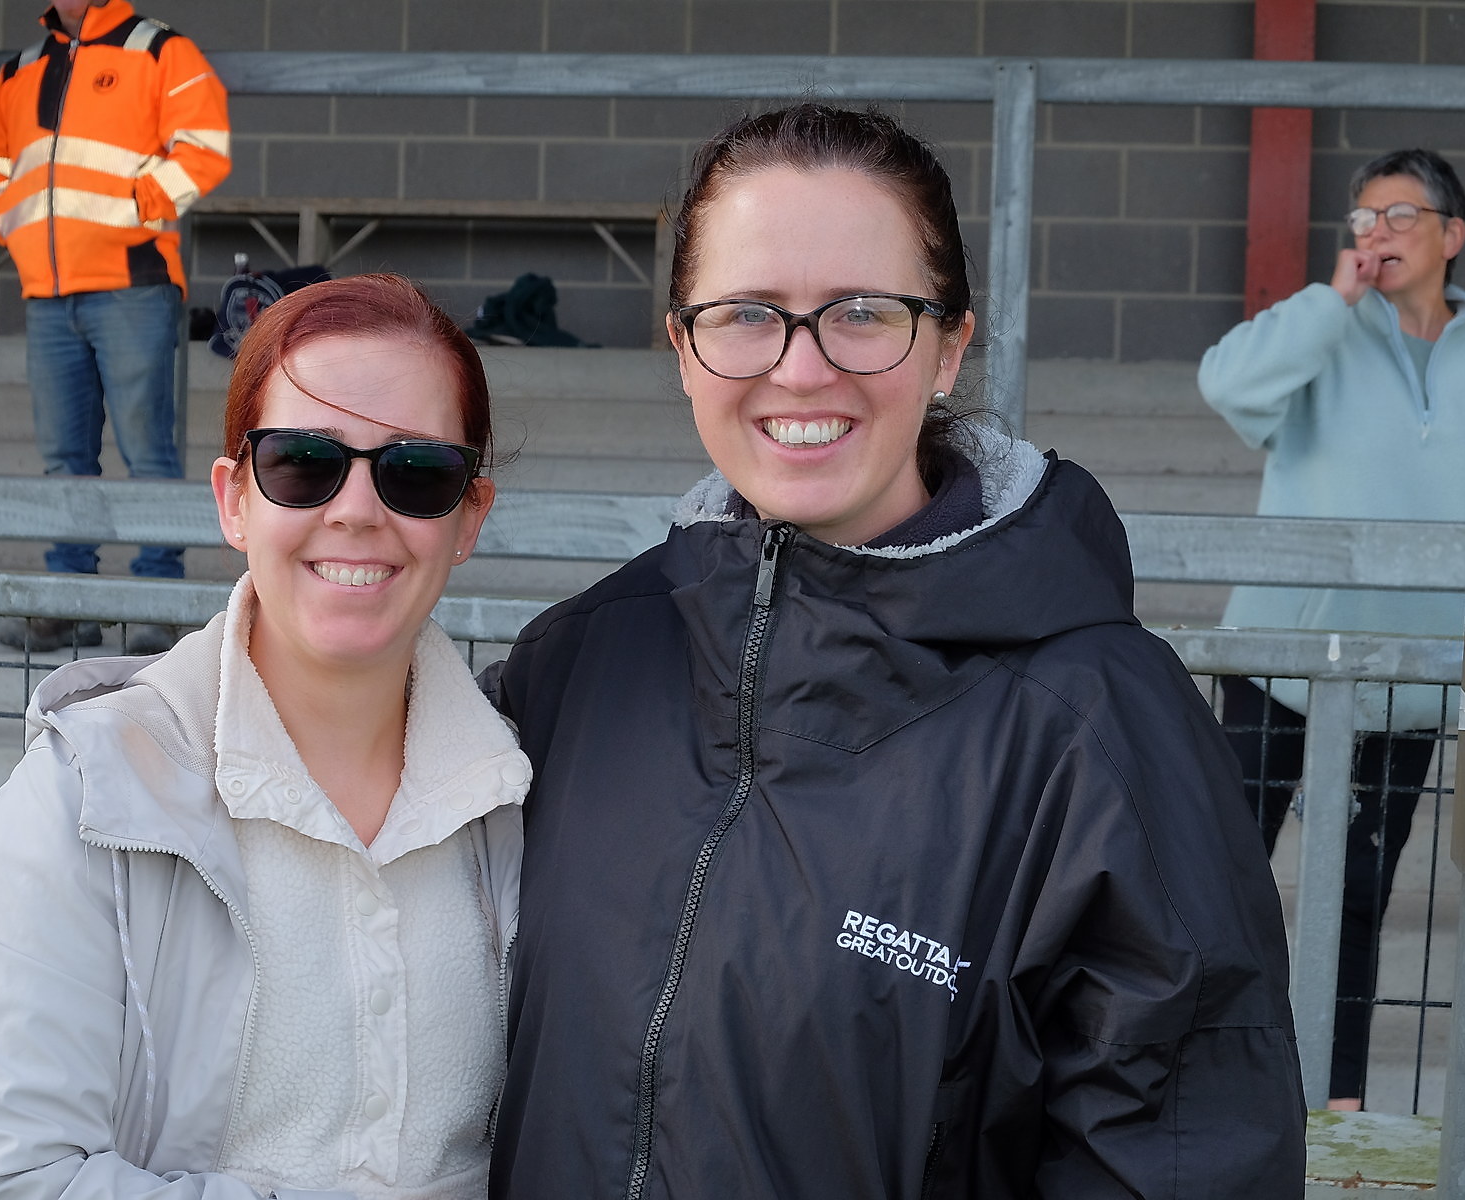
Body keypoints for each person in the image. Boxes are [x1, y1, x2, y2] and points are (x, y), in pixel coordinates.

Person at [485, 104, 1304, 1198]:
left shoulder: (1100, 733)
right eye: (746, 315)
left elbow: (1185, 1160)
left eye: (863, 314)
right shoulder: (578, 667)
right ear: (683, 347)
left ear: (949, 346)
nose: (801, 367)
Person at [0, 274, 527, 1200]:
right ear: (234, 500)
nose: (357, 512)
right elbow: (14, 1182)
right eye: (304, 463)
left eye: (417, 473)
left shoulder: (528, 799)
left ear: (469, 519)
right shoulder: (86, 796)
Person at [1199, 147, 1465, 1110]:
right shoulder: (1324, 334)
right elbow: (1226, 385)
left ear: (1454, 236)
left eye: (1402, 216)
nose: (1376, 233)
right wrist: (1331, 301)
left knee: (1363, 894)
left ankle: (1339, 1097)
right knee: (1221, 878)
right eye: (1363, 217)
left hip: (1408, 684)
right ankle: (1204, 1072)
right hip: (1279, 662)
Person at [0, 0, 231, 656]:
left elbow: (205, 148)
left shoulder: (159, 51)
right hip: (48, 293)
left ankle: (156, 601)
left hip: (132, 285)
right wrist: (15, 229)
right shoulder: (20, 69)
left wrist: (135, 208)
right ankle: (68, 598)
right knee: (64, 456)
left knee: (149, 451)